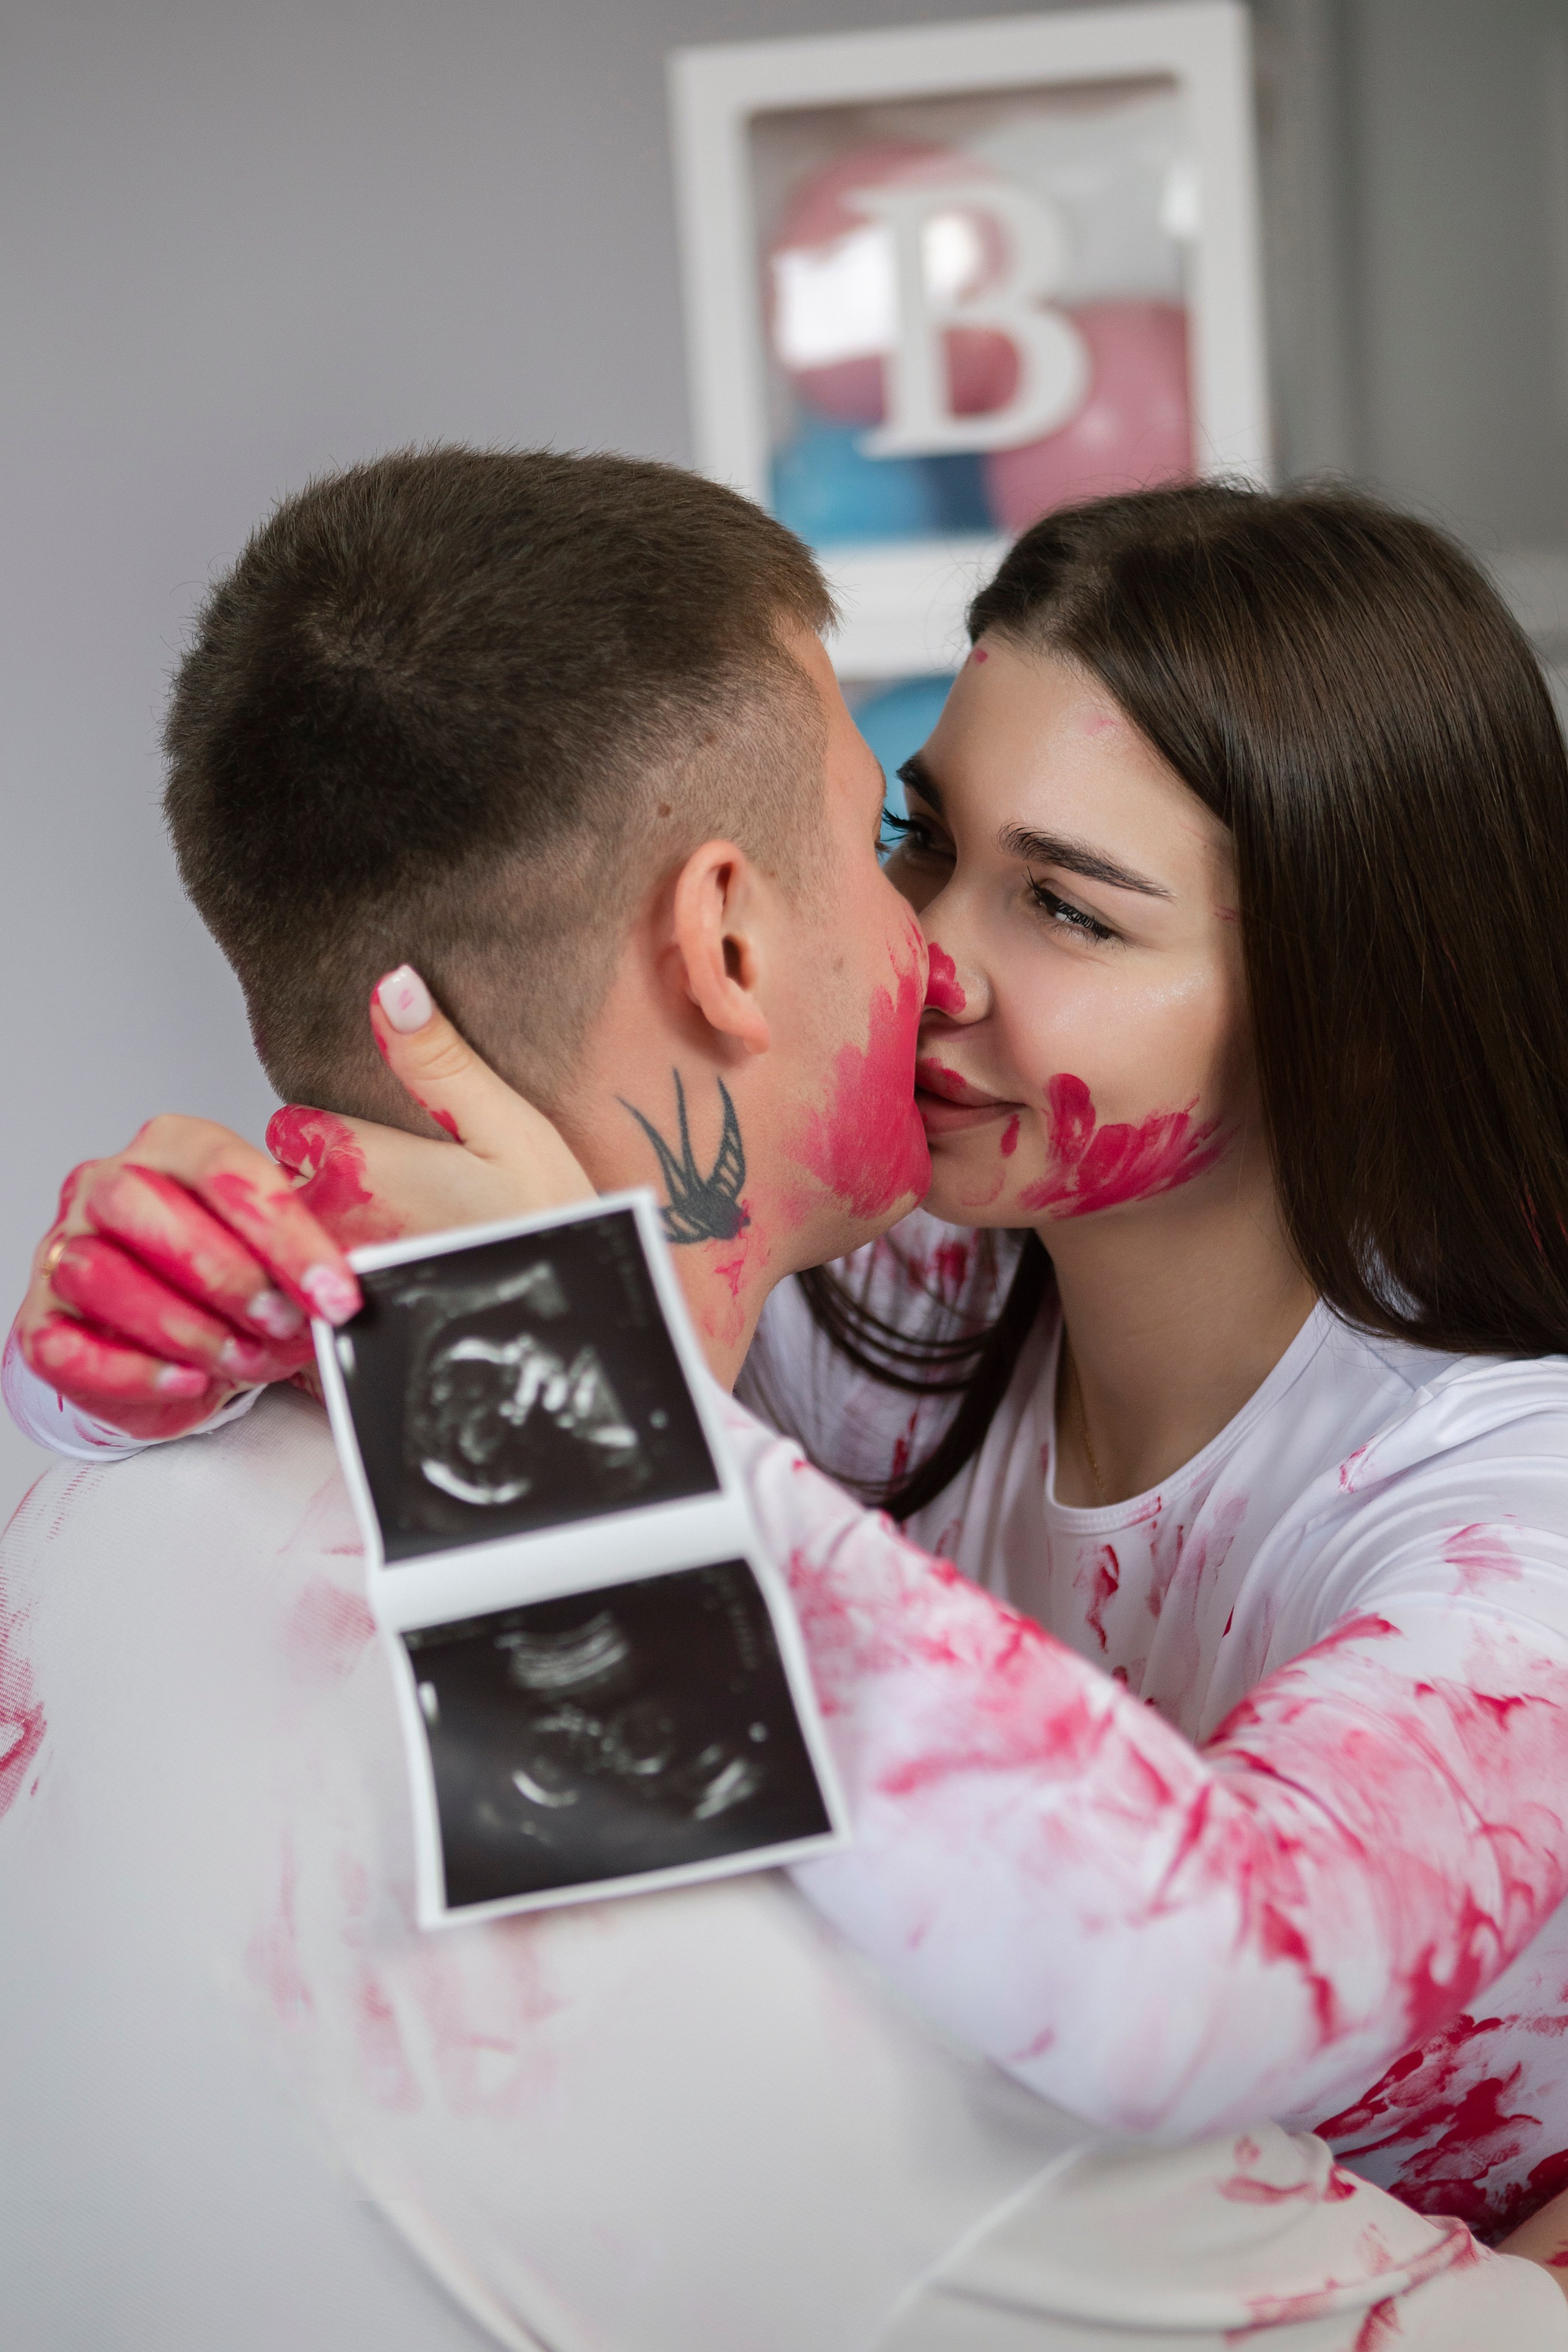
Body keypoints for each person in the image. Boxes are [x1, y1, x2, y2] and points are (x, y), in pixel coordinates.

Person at [12, 460, 1568, 2297]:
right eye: (922, 838)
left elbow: (1207, 1981)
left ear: (1354, 1016)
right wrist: (171, 1338)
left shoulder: (1510, 1517)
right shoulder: (903, 1296)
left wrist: (586, 1370)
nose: (930, 958)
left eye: (1068, 909)